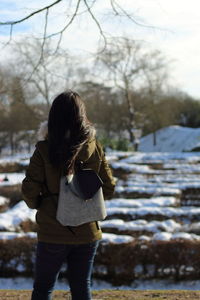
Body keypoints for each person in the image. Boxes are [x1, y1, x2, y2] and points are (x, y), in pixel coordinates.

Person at [22, 91, 115, 300]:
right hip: (87, 230)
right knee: (82, 287)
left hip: (52, 230)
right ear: (82, 115)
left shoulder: (44, 150)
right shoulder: (95, 147)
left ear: (53, 117)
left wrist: (41, 204)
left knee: (43, 288)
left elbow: (29, 189)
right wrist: (86, 197)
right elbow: (108, 187)